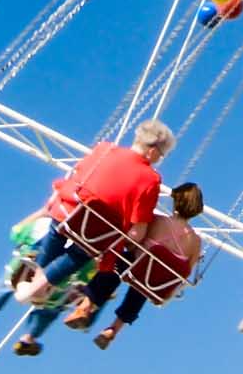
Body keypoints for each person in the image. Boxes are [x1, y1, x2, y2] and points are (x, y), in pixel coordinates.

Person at [14, 121, 173, 306]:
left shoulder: (104, 149)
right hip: (99, 233)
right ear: (152, 151)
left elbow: (78, 174)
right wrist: (128, 244)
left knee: (56, 231)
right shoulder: (151, 180)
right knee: (81, 254)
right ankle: (39, 285)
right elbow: (138, 230)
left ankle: (37, 280)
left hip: (71, 210)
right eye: (161, 156)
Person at [61, 182, 206, 350]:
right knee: (143, 288)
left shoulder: (158, 220)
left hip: (134, 265)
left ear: (176, 202)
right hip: (155, 282)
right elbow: (186, 270)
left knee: (113, 268)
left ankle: (86, 306)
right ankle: (113, 329)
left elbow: (133, 242)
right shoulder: (196, 242)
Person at [0, 212, 98, 357]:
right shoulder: (87, 250)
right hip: (54, 290)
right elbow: (85, 276)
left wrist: (44, 211)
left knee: (8, 279)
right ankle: (28, 338)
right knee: (51, 308)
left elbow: (16, 232)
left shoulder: (43, 225)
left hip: (23, 272)